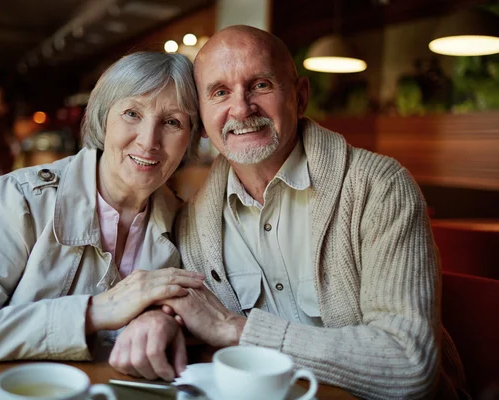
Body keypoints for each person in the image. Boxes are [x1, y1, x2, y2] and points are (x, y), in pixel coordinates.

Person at [109, 26, 467, 398]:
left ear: (300, 97)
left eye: (261, 85)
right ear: (201, 121)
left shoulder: (380, 188)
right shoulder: (193, 221)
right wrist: (157, 319)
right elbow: (190, 312)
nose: (242, 108)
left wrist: (237, 330)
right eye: (220, 92)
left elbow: (409, 366)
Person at [0, 52, 204, 376]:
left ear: (191, 137)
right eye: (132, 113)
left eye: (172, 122)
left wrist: (162, 318)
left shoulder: (187, 221)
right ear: (103, 119)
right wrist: (94, 312)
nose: (148, 141)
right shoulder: (21, 200)